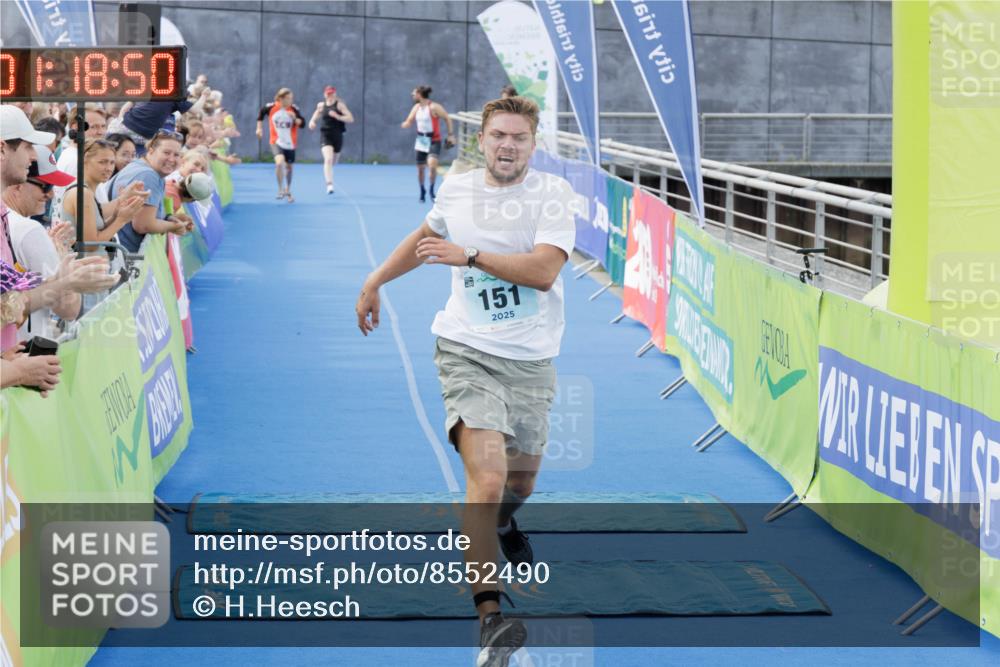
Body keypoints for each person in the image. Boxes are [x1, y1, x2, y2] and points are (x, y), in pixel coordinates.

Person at [357, 96, 577, 667]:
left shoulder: (552, 196)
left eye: (520, 138)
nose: (508, 146)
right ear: (482, 139)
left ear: (534, 143)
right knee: (486, 477)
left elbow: (545, 271)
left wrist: (471, 255)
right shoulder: (457, 188)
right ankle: (492, 620)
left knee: (518, 488)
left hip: (531, 361)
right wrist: (376, 278)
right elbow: (425, 237)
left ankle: (506, 523)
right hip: (465, 350)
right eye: (499, 135)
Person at [2, 151, 82, 339]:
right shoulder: (29, 230)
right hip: (24, 353)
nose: (51, 194)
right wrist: (62, 257)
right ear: (18, 184)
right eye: (45, 186)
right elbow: (69, 309)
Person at [107, 130, 193, 254]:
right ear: (151, 151)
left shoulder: (141, 166)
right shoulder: (148, 175)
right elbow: (143, 225)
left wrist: (171, 218)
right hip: (124, 256)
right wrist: (174, 227)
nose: (171, 159)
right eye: (166, 152)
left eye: (177, 155)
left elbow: (143, 215)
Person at [61, 139, 148, 245]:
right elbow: (90, 244)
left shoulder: (86, 191)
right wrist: (121, 220)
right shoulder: (83, 193)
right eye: (102, 162)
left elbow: (97, 230)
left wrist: (117, 214)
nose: (109, 168)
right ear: (85, 160)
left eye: (112, 163)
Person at [401, 85, 455, 202]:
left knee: (432, 166)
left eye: (414, 94)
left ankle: (431, 189)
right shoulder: (416, 108)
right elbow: (409, 120)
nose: (412, 96)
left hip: (434, 140)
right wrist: (406, 123)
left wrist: (450, 134)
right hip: (422, 140)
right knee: (420, 169)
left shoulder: (434, 107)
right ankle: (422, 190)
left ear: (419, 95)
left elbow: (447, 118)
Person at [257, 88, 305, 202]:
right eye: (288, 98)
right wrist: (259, 128)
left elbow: (303, 123)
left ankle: (288, 189)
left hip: (290, 143)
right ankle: (280, 189)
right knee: (279, 163)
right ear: (281, 98)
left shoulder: (293, 108)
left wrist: (295, 118)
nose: (290, 100)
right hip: (276, 141)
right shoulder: (271, 107)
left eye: (291, 98)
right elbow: (260, 114)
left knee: (289, 167)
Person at [308, 86, 354, 194]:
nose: (330, 96)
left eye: (332, 93)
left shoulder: (339, 105)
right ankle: (329, 185)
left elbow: (351, 118)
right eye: (328, 94)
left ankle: (328, 171)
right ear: (325, 95)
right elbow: (316, 114)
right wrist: (312, 121)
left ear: (335, 94)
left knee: (333, 162)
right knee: (328, 159)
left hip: (337, 135)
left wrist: (338, 116)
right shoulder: (321, 105)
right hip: (326, 135)